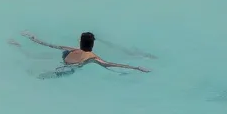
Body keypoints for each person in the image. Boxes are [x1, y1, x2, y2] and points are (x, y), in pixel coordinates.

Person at [21, 30, 151, 74]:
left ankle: (19, 46)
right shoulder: (92, 57)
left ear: (80, 42)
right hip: (69, 68)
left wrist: (33, 38)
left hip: (66, 57)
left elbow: (49, 45)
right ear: (93, 44)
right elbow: (111, 64)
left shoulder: (73, 49)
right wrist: (136, 68)